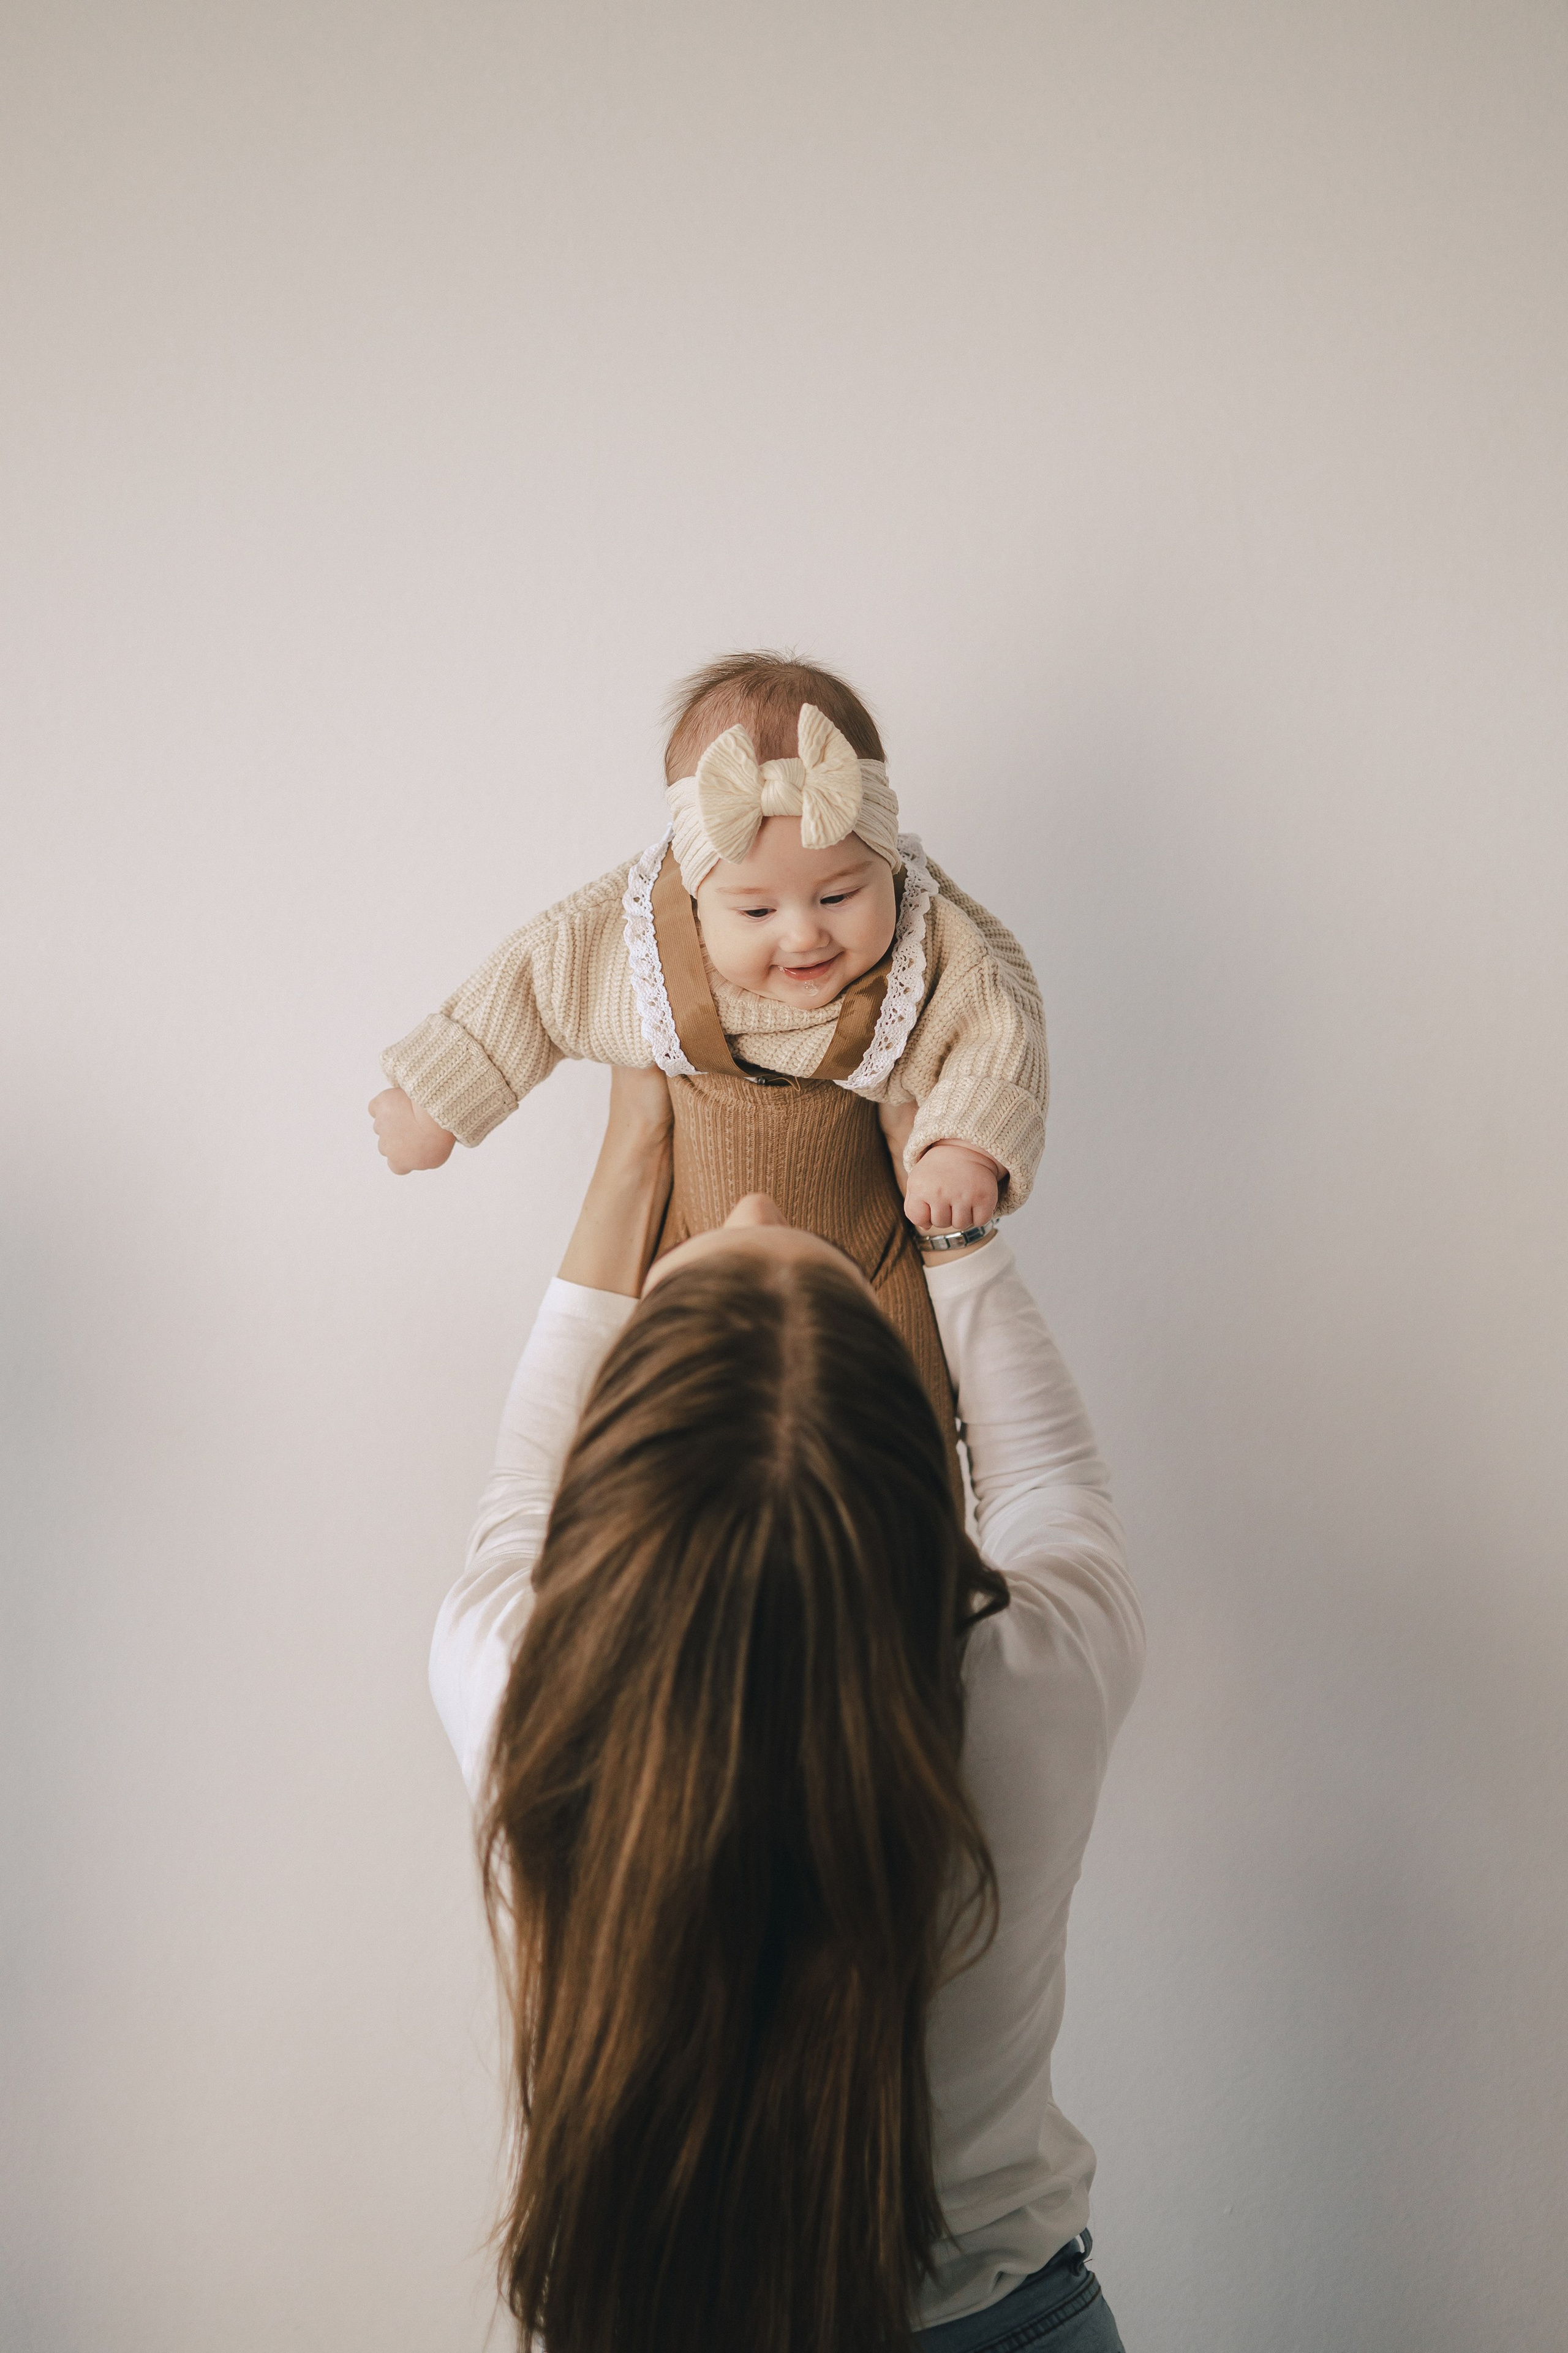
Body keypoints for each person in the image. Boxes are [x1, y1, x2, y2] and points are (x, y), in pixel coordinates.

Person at [429, 1068, 1144, 2353]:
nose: (754, 1195)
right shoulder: (1031, 1691)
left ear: (617, 1470)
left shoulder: (516, 1688)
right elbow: (1050, 1484)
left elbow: (523, 1489)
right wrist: (952, 1235)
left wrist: (634, 1150)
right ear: (915, 1467)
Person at [369, 652, 1048, 1475]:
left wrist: (961, 1144)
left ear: (889, 864)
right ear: (696, 892)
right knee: (650, 1438)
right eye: (757, 908)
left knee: (907, 1428)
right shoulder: (647, 940)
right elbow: (534, 984)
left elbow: (997, 1022)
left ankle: (918, 1556)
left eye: (839, 895)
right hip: (688, 1251)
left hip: (873, 1257)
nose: (804, 934)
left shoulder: (924, 942)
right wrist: (439, 1098)